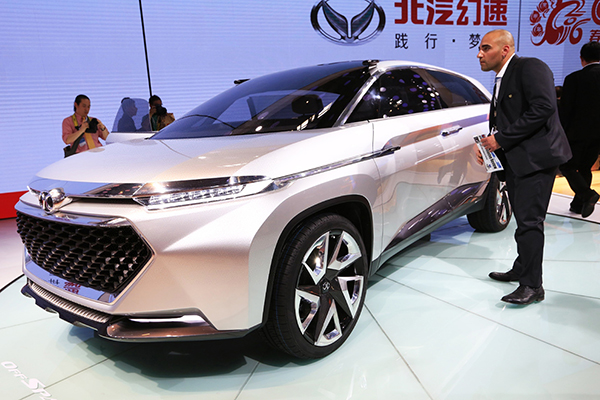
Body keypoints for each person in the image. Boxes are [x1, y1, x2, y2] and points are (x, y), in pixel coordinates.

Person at [475, 29, 572, 305]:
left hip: (536, 160)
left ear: (505, 50)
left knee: (530, 224)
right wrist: (489, 144)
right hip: (518, 160)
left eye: (486, 48)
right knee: (523, 223)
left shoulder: (530, 66)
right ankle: (522, 269)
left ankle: (533, 286)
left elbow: (543, 108)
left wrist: (500, 139)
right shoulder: (502, 77)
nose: (480, 54)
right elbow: (506, 118)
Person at [558, 41, 600, 218]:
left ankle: (587, 194)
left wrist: (561, 132)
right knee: (584, 166)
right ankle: (578, 204)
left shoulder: (573, 78)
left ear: (582, 59)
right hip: (598, 133)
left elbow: (566, 109)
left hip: (576, 132)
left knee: (566, 166)